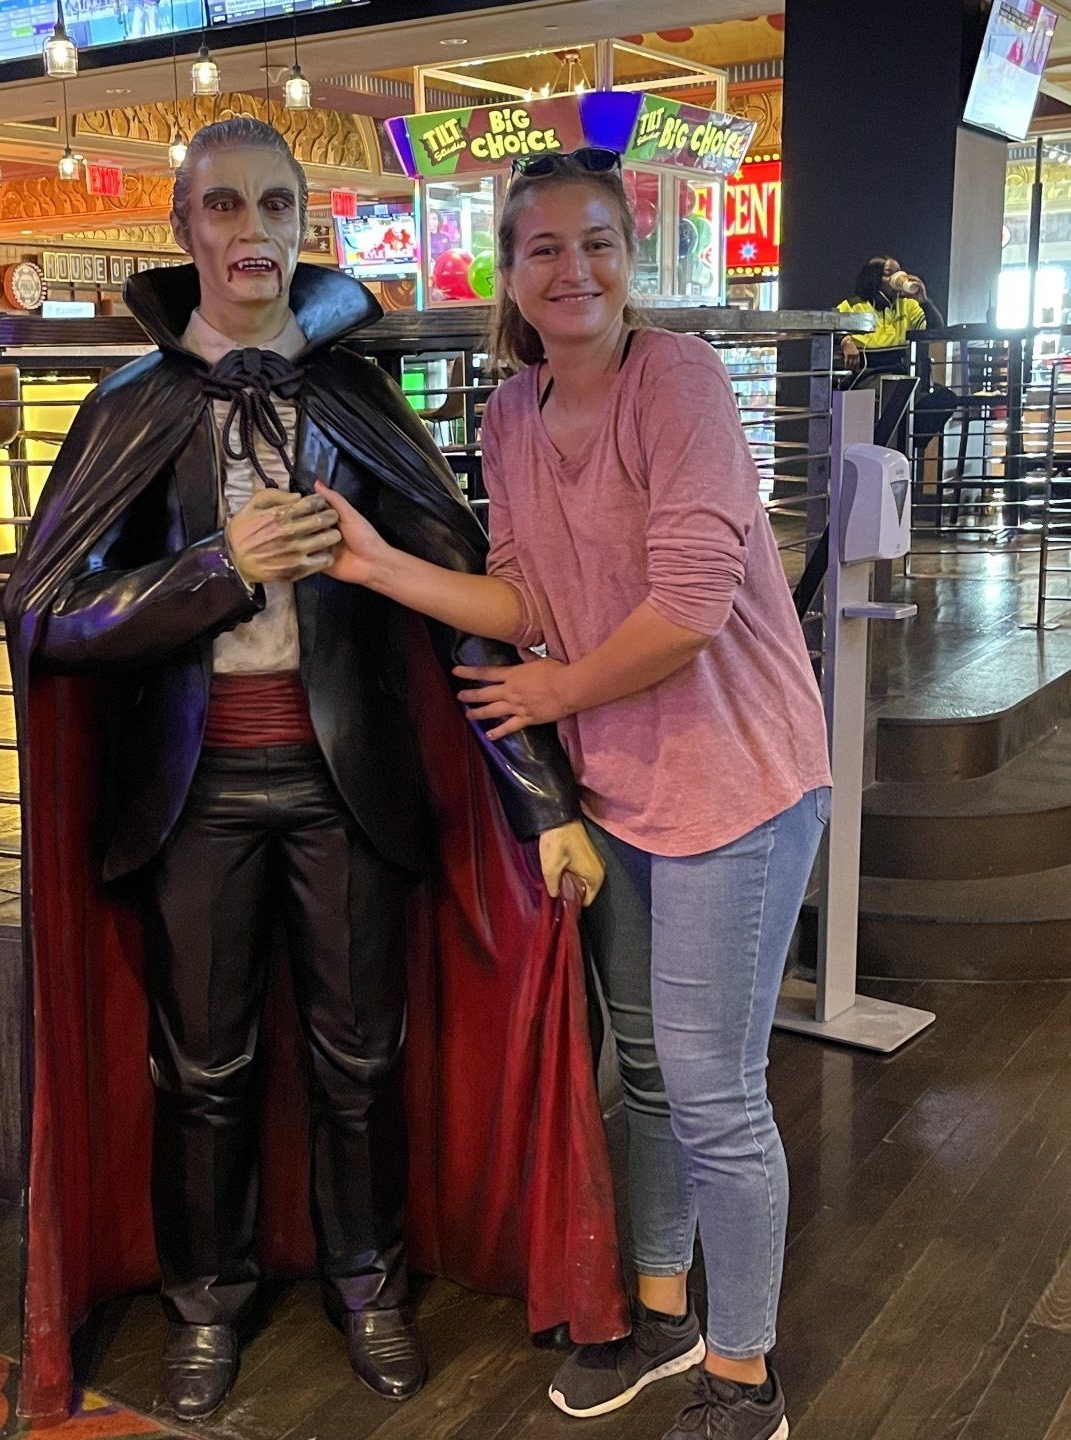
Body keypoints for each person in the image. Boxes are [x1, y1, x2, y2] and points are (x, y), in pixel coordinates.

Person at [2, 117, 620, 1424]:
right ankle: (206, 1303)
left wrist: (546, 806)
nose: (249, 232)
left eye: (274, 206)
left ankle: (368, 1286)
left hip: (348, 785)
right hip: (191, 796)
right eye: (222, 206)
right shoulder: (129, 409)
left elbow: (465, 600)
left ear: (300, 228)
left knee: (360, 1056)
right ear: (186, 230)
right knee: (203, 1068)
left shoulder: (358, 403)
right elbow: (48, 615)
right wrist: (220, 569)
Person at [320, 148, 830, 1440]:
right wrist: (381, 568)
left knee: (715, 1085)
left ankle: (746, 1377)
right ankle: (663, 1313)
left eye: (597, 241)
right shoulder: (509, 413)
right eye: (543, 246)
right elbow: (526, 601)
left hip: (739, 781)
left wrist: (550, 698)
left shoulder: (680, 381)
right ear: (509, 270)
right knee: (649, 1070)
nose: (574, 268)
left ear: (631, 258)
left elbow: (692, 611)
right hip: (624, 786)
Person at [838, 255, 959, 457]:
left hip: (900, 377)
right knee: (897, 400)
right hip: (866, 377)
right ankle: (891, 448)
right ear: (875, 278)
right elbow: (830, 326)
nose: (897, 276)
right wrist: (846, 341)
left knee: (944, 398)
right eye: (890, 273)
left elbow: (936, 332)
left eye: (899, 270)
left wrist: (924, 300)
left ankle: (906, 444)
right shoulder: (854, 306)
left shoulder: (908, 306)